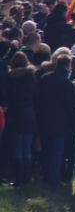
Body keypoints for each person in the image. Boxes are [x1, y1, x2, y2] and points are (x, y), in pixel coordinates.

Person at [36, 53, 75, 187]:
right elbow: (70, 105)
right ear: (68, 65)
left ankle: (45, 175)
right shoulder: (67, 83)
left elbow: (39, 98)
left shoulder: (45, 78)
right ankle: (54, 180)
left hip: (44, 119)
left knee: (46, 149)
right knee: (57, 152)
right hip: (60, 123)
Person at [6, 52, 38, 187]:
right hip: (30, 113)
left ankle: (19, 177)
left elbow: (9, 96)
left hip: (16, 114)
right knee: (27, 147)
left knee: (18, 147)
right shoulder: (32, 76)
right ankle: (27, 177)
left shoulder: (11, 77)